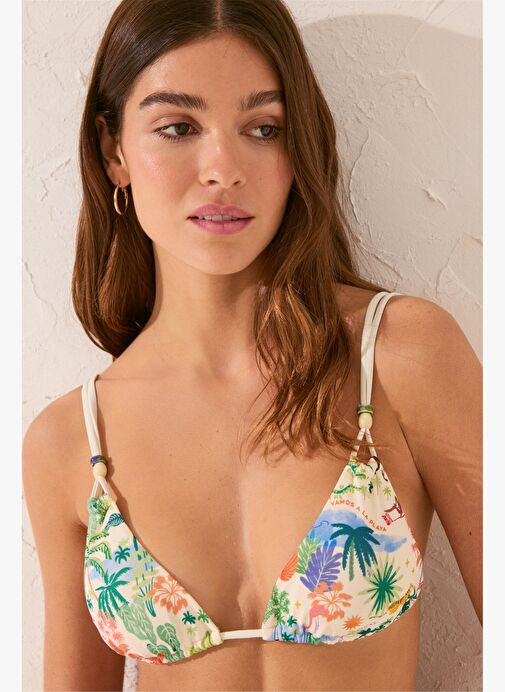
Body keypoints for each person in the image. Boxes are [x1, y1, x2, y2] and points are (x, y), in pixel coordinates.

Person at [22, 1, 482, 690]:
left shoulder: (398, 355)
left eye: (263, 128)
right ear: (114, 152)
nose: (223, 168)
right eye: (178, 127)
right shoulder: (70, 440)